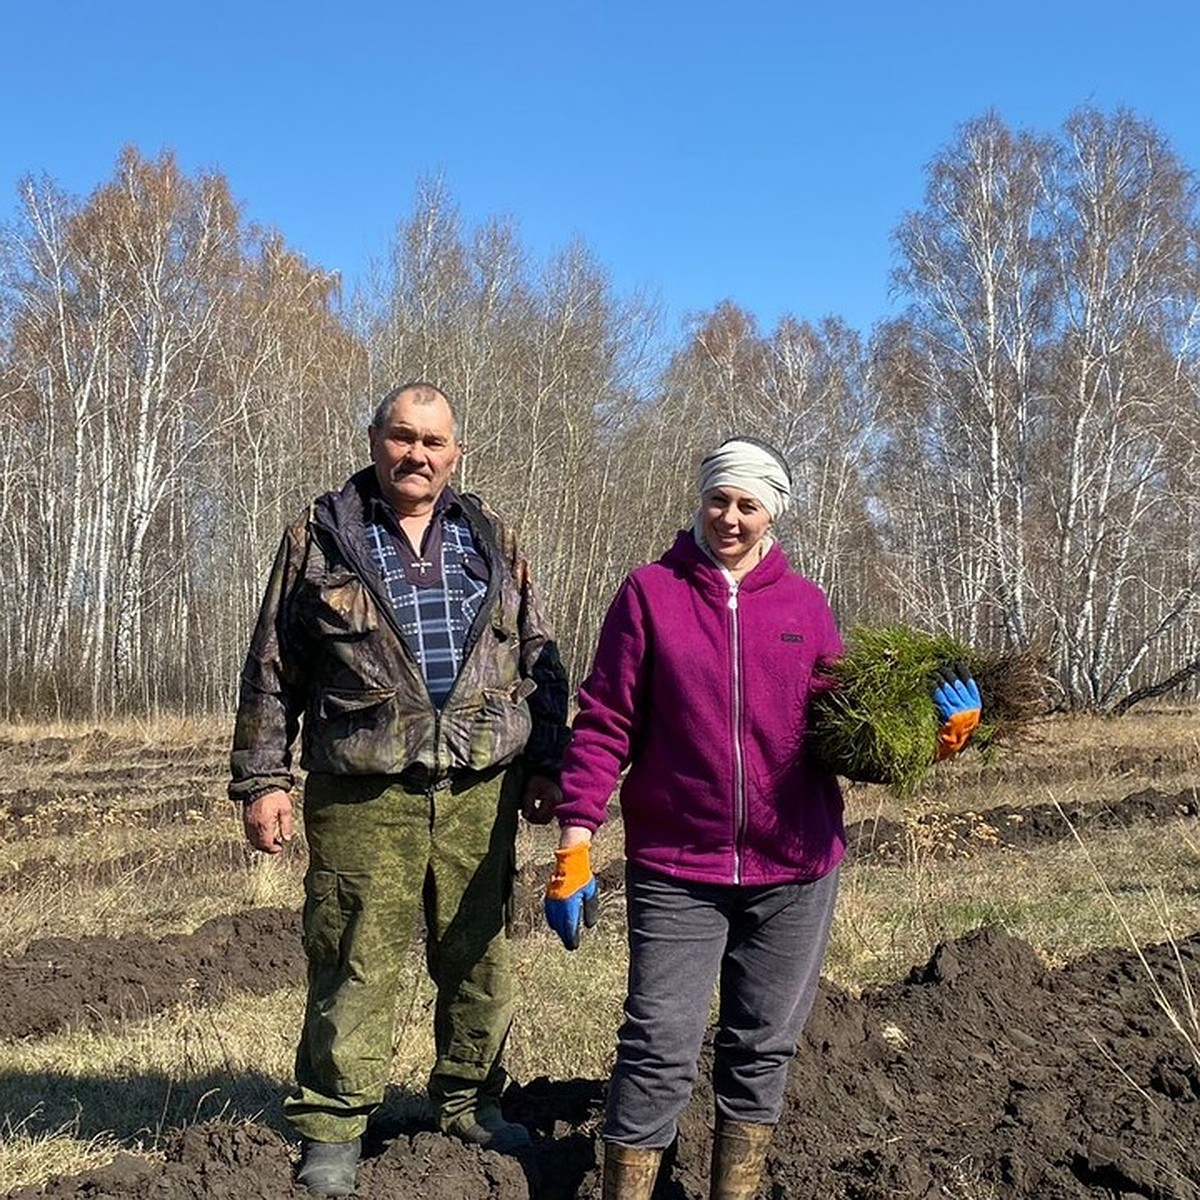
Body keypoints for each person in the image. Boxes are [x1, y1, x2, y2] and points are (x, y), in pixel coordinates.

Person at [542, 436, 981, 1200]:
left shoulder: (806, 607)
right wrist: (576, 842)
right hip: (679, 867)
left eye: (749, 505)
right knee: (657, 1046)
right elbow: (605, 721)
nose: (731, 518)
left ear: (774, 511)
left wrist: (936, 740)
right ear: (701, 500)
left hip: (796, 869)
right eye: (720, 500)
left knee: (762, 1048)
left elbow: (847, 738)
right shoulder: (649, 593)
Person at [230, 381, 569, 1197]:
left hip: (481, 787)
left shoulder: (490, 535)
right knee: (353, 956)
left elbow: (538, 653)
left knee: (480, 955)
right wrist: (262, 778)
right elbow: (273, 666)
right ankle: (335, 1125)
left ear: (455, 453)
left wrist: (550, 763)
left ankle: (471, 1102)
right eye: (403, 437)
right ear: (375, 438)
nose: (418, 454)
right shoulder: (320, 538)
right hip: (361, 791)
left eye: (435, 442)